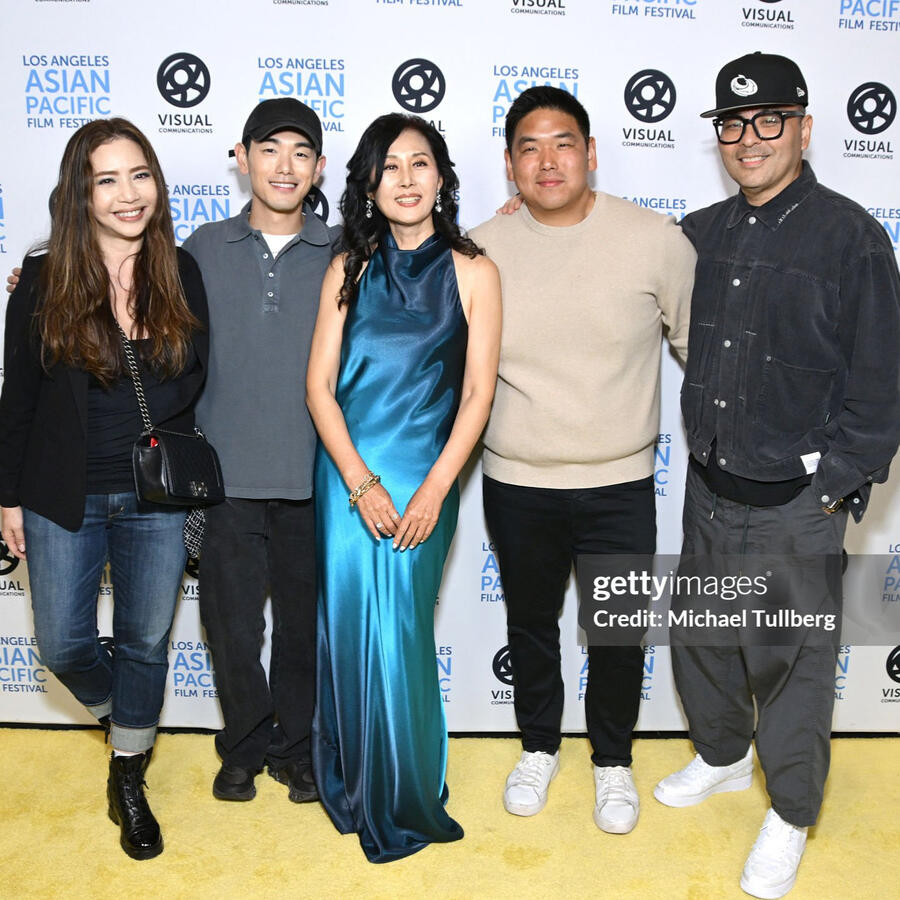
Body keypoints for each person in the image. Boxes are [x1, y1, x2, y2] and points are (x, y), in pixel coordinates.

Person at [653, 53, 900, 899]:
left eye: (767, 121)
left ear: (802, 125)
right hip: (709, 490)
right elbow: (612, 255)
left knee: (792, 664)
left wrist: (830, 481)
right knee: (703, 642)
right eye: (731, 123)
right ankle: (723, 758)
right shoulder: (702, 233)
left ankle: (792, 811)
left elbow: (880, 386)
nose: (747, 139)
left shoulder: (851, 237)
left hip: (797, 504)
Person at [470, 86, 695, 832]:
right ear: (509, 166)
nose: (547, 160)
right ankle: (538, 747)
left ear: (591, 152)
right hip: (517, 482)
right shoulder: (481, 247)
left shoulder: (655, 239)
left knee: (618, 633)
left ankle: (612, 762)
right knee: (530, 624)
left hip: (621, 483)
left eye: (562, 142)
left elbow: (699, 348)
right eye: (528, 147)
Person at [0, 118, 209, 860]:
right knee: (62, 643)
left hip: (154, 495)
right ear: (80, 194)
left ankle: (128, 774)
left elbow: (194, 378)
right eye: (107, 180)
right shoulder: (42, 279)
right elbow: (17, 399)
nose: (129, 194)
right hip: (62, 494)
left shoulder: (178, 271)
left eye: (140, 174)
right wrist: (6, 497)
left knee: (147, 638)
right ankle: (133, 717)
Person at [306, 113, 501, 862]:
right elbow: (319, 389)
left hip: (429, 475)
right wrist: (360, 485)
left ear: (443, 178)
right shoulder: (347, 268)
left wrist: (433, 491)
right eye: (390, 168)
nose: (408, 179)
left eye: (421, 164)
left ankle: (406, 791)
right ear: (369, 185)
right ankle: (356, 784)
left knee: (405, 632)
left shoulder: (475, 271)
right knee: (351, 626)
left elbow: (479, 393)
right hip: (349, 476)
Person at [180, 98, 339, 804]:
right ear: (241, 158)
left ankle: (295, 748)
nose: (285, 165)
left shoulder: (344, 252)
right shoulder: (202, 248)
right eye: (269, 149)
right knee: (232, 630)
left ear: (320, 168)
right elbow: (129, 300)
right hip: (224, 479)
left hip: (316, 479)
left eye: (301, 151)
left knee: (303, 630)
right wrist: (38, 284)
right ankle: (242, 743)